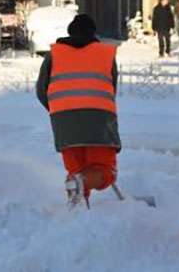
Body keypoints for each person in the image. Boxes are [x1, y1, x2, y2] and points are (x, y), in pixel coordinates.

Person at [35, 14, 120, 209]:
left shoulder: (54, 55)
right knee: (105, 171)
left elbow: (42, 90)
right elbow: (111, 87)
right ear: (93, 32)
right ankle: (81, 185)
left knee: (76, 169)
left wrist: (59, 109)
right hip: (99, 121)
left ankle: (77, 209)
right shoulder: (105, 53)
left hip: (64, 122)